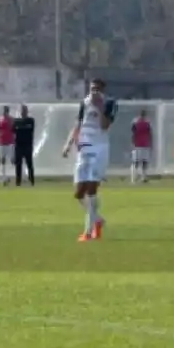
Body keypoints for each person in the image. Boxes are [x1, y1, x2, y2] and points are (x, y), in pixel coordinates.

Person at [62, 78, 116, 241]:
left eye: (97, 88)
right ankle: (98, 220)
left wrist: (99, 107)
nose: (94, 91)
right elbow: (78, 125)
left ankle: (88, 232)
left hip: (99, 148)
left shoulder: (109, 103)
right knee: (79, 193)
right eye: (92, 88)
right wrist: (69, 143)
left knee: (92, 189)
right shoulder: (84, 103)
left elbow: (105, 125)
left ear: (103, 89)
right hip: (84, 148)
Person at [13, 105, 36, 186]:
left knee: (29, 164)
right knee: (18, 164)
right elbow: (13, 131)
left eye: (25, 110)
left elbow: (31, 131)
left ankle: (32, 181)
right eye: (22, 110)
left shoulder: (31, 120)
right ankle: (18, 181)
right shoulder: (16, 121)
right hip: (18, 145)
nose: (23, 112)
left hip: (28, 145)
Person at [131, 109, 153, 183]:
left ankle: (138, 177)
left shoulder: (136, 122)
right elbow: (150, 134)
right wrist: (151, 143)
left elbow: (133, 133)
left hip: (139, 144)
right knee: (142, 162)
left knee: (139, 162)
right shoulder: (146, 123)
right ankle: (140, 177)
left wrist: (132, 143)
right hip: (143, 144)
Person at [0, 106, 16, 186]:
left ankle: (15, 175)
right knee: (2, 160)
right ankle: (4, 177)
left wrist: (15, 141)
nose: (4, 112)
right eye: (3, 110)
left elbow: (14, 131)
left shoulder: (12, 119)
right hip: (1, 142)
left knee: (12, 160)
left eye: (6, 110)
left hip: (10, 142)